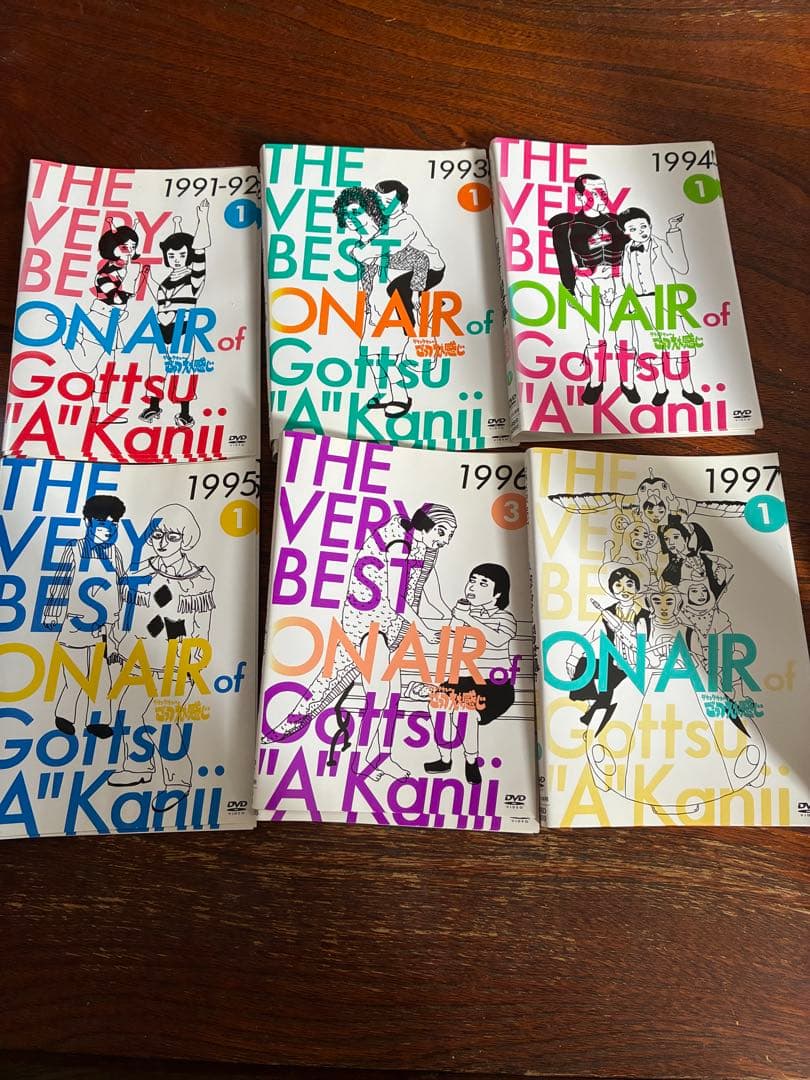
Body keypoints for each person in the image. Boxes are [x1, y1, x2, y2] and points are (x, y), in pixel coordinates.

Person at [266, 504, 457, 781]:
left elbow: (422, 587)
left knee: (392, 693)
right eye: (442, 532)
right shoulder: (399, 543)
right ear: (425, 523)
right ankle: (363, 759)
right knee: (379, 692)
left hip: (387, 626)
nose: (445, 540)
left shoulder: (423, 545)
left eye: (450, 535)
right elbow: (398, 599)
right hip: (369, 625)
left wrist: (449, 615)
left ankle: (379, 757)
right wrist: (426, 631)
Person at [109, 504, 215, 811]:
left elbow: (201, 625)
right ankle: (138, 766)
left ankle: (178, 781)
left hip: (177, 658)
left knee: (161, 719)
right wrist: (117, 642)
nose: (163, 542)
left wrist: (195, 661)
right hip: (140, 654)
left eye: (172, 536)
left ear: (185, 539)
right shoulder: (140, 570)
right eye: (157, 535)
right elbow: (127, 614)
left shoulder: (198, 579)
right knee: (128, 711)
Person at [333, 186, 428, 418]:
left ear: (371, 210)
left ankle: (401, 397)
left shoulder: (389, 240)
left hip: (396, 312)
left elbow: (421, 260)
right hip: (374, 312)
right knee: (371, 355)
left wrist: (416, 293)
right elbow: (367, 278)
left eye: (356, 212)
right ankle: (384, 394)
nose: (351, 219)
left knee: (388, 359)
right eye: (346, 214)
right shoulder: (361, 247)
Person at [43, 494, 128, 738]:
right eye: (102, 523)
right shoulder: (74, 548)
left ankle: (98, 721)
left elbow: (121, 584)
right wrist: (52, 613)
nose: (108, 529)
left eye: (113, 524)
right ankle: (65, 715)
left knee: (102, 678)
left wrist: (119, 620)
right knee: (75, 675)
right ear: (88, 522)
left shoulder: (115, 553)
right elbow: (61, 580)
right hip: (75, 623)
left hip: (104, 628)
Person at [424, 563, 517, 786]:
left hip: (494, 685)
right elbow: (451, 640)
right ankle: (445, 758)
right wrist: (458, 617)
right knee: (437, 704)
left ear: (497, 594)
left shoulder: (505, 618)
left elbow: (496, 639)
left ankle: (471, 762)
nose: (473, 586)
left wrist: (469, 619)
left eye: (483, 583)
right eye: (472, 580)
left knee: (464, 712)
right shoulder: (465, 613)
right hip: (463, 681)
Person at [549, 174, 634, 404]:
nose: (602, 197)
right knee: (595, 336)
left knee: (626, 334)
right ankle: (596, 382)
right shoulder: (567, 229)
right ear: (580, 196)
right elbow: (564, 261)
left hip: (619, 282)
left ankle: (628, 382)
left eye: (603, 191)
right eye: (594, 192)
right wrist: (569, 290)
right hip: (588, 284)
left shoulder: (620, 223)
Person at [617, 206, 703, 407]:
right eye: (633, 229)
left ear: (650, 225)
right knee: (650, 350)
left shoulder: (660, 244)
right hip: (640, 303)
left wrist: (673, 230)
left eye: (643, 226)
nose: (641, 231)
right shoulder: (627, 250)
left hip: (664, 301)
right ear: (626, 232)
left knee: (678, 346)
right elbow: (626, 277)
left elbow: (682, 266)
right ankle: (661, 389)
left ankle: (688, 389)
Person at [139, 200, 211, 427]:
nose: (176, 259)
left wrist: (202, 219)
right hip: (161, 329)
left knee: (182, 368)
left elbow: (200, 252)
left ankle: (184, 413)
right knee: (156, 366)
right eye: (171, 255)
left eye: (181, 254)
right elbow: (160, 301)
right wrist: (147, 278)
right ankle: (154, 406)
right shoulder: (165, 281)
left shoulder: (194, 279)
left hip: (183, 327)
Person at [374, 179, 446, 327]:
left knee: (395, 290)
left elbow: (388, 248)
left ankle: (410, 327)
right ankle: (426, 310)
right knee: (396, 290)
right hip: (415, 264)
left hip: (431, 268)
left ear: (403, 206)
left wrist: (415, 292)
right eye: (379, 201)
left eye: (388, 202)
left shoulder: (406, 223)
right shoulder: (386, 220)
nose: (382, 206)